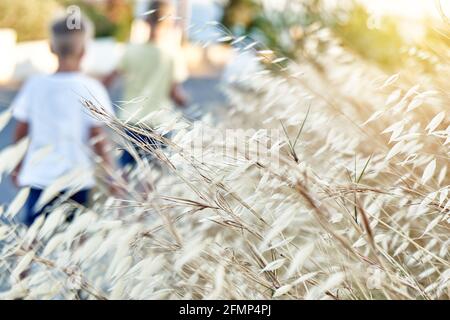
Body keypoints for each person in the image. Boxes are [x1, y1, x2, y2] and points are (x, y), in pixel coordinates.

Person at [11, 15, 115, 227]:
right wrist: (112, 173)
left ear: (51, 47)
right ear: (85, 50)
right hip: (77, 180)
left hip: (39, 177)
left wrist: (17, 166)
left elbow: (21, 132)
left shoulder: (34, 85)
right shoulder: (92, 88)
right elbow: (98, 137)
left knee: (35, 240)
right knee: (75, 242)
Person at [105, 0, 188, 169]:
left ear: (146, 21)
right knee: (155, 176)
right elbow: (176, 94)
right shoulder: (171, 55)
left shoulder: (131, 50)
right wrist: (184, 100)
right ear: (170, 23)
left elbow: (107, 81)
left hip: (130, 121)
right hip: (159, 124)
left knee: (128, 172)